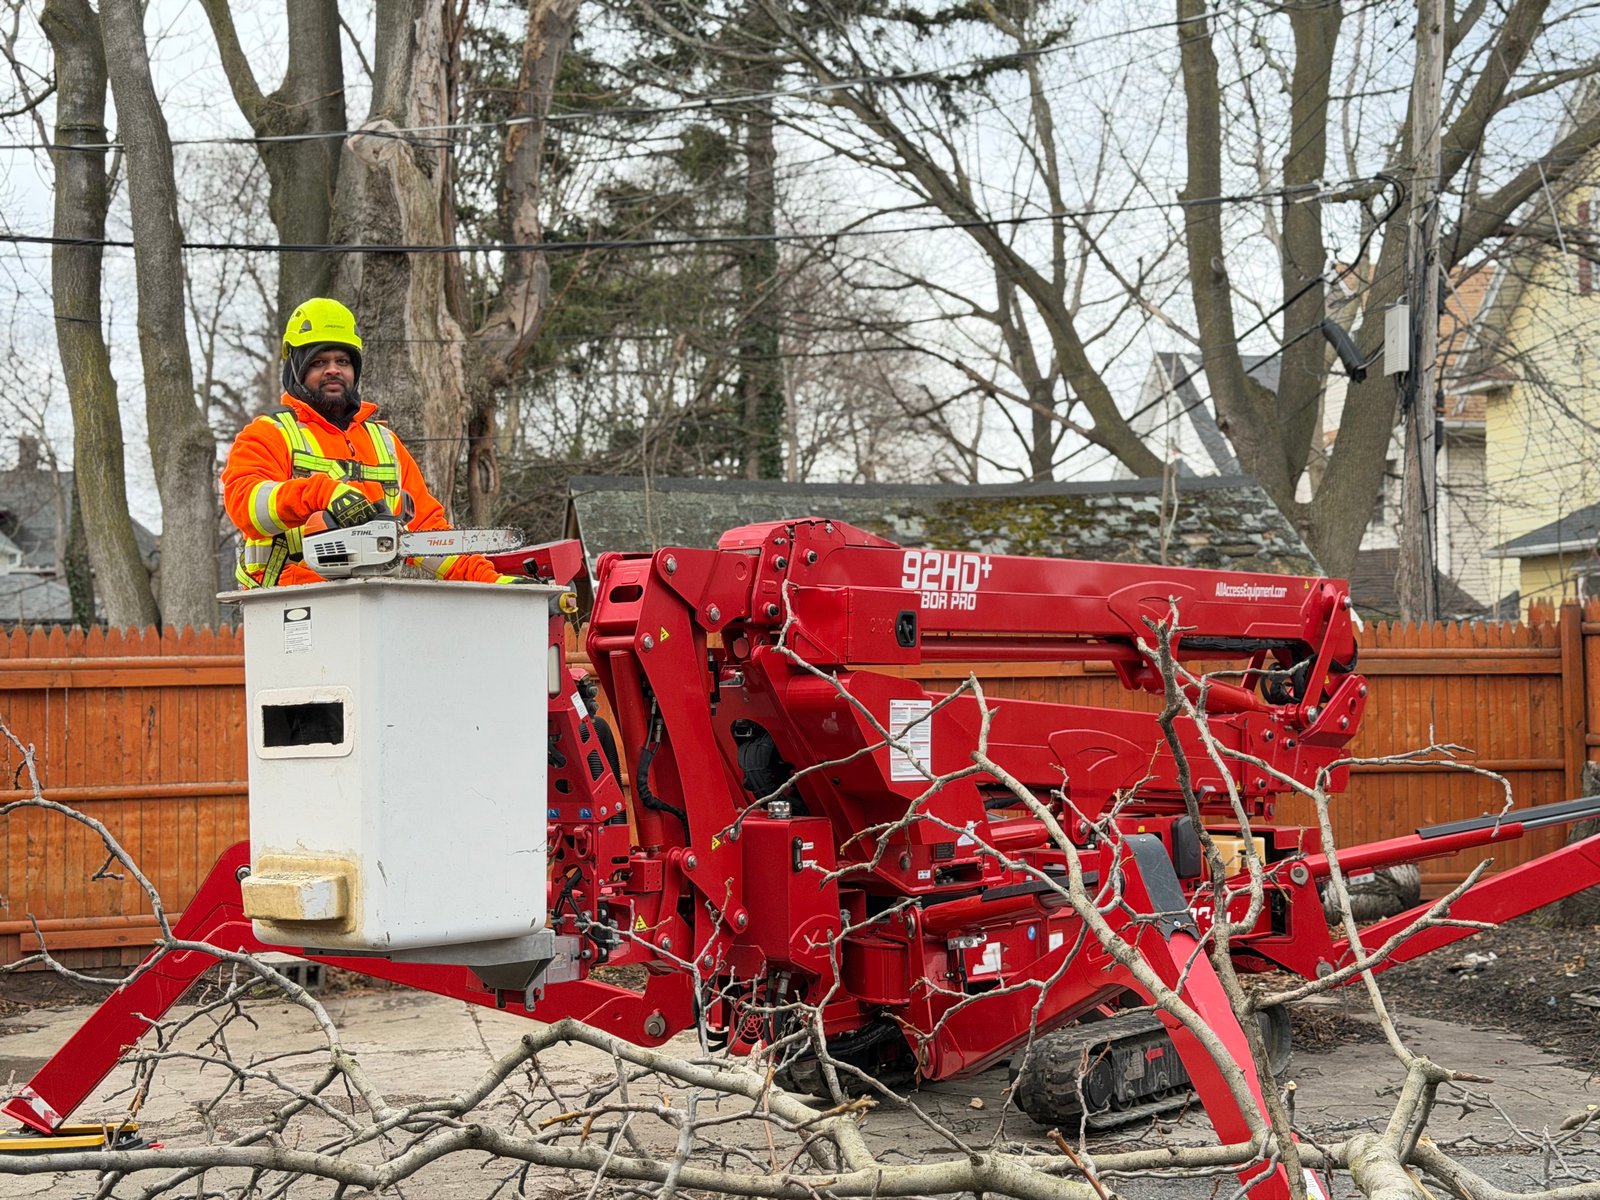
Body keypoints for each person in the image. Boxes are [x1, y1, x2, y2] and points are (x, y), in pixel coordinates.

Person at [222, 297, 514, 588]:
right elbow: (246, 504)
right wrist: (323, 493)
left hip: (369, 599)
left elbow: (427, 532)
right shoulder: (270, 433)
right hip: (287, 601)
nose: (333, 370)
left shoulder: (383, 444)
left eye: (343, 361)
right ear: (296, 369)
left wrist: (492, 582)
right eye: (319, 362)